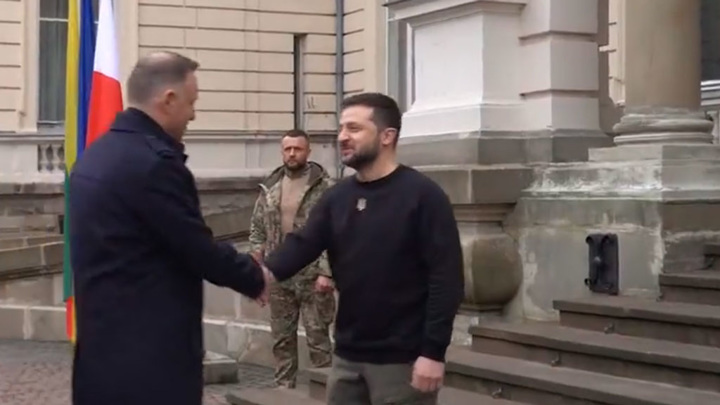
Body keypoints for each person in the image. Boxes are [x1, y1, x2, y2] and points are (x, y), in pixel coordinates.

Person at [68, 51, 271, 405]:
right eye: (192, 103)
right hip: (149, 368)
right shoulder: (154, 164)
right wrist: (254, 276)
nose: (193, 114)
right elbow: (196, 246)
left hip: (99, 359)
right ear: (169, 99)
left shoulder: (93, 157)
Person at [260, 93, 465, 405]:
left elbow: (446, 280)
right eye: (342, 128)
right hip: (347, 357)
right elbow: (302, 245)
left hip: (403, 361)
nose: (342, 136)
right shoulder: (337, 197)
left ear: (387, 136)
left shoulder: (424, 196)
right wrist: (258, 274)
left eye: (354, 129)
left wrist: (433, 352)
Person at [249, 129, 336, 388]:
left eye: (297, 149)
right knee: (282, 340)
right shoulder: (270, 188)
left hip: (312, 276)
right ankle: (283, 391)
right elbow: (257, 228)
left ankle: (325, 392)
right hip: (279, 276)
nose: (292, 154)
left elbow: (334, 231)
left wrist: (326, 271)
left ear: (308, 151)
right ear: (282, 152)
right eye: (287, 149)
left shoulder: (325, 188)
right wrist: (258, 263)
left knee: (318, 340)